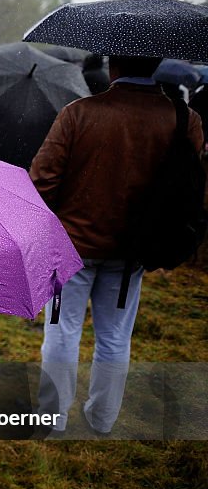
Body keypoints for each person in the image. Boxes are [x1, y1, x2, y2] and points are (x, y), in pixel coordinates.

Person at [30, 55, 204, 435]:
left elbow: (43, 179)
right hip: (133, 251)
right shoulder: (182, 119)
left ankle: (53, 417)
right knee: (114, 338)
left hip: (70, 248)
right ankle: (102, 418)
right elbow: (189, 186)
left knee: (61, 330)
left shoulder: (79, 113)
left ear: (113, 67)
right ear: (156, 64)